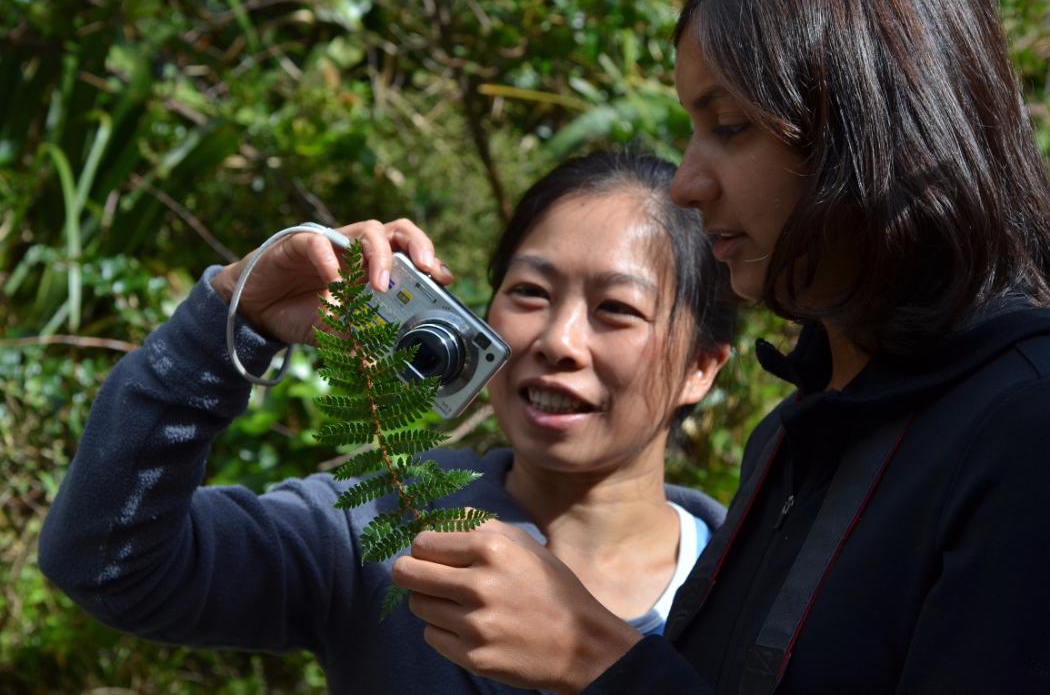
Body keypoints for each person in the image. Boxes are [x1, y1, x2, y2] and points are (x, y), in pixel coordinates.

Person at [389, 0, 1050, 693]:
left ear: (874, 124)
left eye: (731, 127)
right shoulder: (793, 439)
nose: (686, 184)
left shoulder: (1023, 429)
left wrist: (598, 662)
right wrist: (259, 310)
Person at [38, 149, 736, 693]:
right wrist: (228, 322)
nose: (557, 340)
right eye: (529, 292)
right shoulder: (378, 525)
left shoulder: (760, 584)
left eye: (616, 309)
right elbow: (106, 562)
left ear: (702, 366)